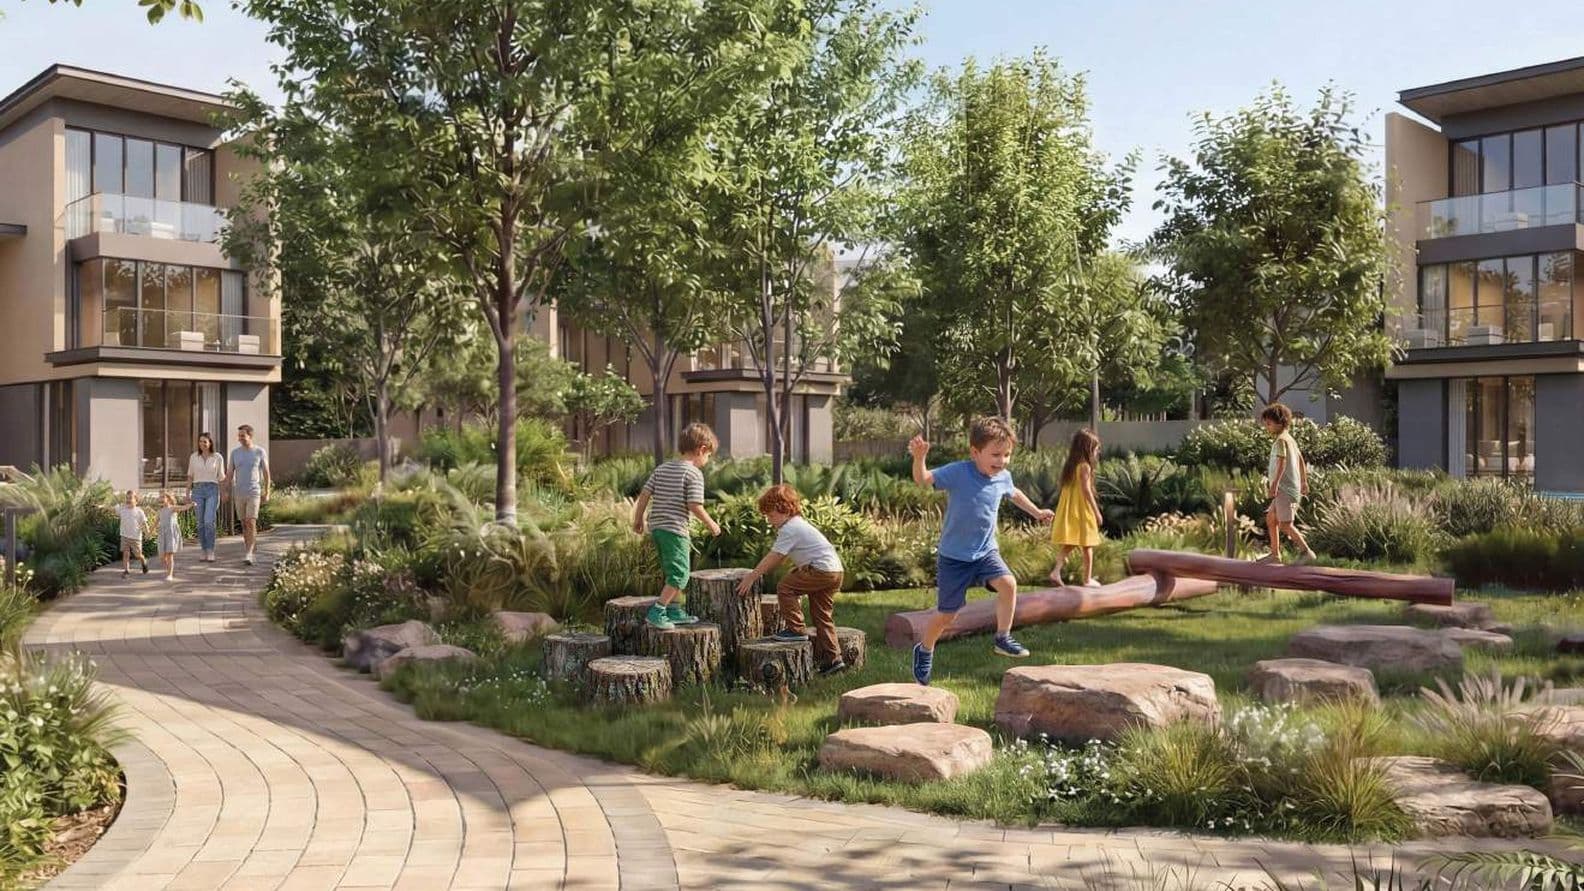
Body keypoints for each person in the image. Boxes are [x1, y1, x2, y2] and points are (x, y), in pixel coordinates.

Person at [907, 417, 1054, 686]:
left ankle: (1002, 637)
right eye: (996, 455)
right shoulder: (958, 472)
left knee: (1008, 584)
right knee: (947, 615)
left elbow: (1014, 493)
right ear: (975, 452)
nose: (1002, 461)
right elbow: (923, 479)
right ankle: (925, 649)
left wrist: (1037, 512)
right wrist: (919, 458)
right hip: (954, 558)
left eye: (1007, 454)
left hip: (986, 552)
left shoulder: (1003, 477)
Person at [735, 484, 847, 676]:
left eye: (770, 515)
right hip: (834, 571)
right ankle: (834, 659)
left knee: (785, 587)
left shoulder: (790, 528)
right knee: (822, 616)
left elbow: (775, 556)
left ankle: (796, 630)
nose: (769, 520)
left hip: (821, 571)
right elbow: (806, 551)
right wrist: (803, 566)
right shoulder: (797, 525)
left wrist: (752, 576)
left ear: (783, 509)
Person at [632, 422, 722, 630]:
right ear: (702, 449)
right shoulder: (693, 474)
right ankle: (658, 611)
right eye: (708, 456)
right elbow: (694, 505)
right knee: (680, 574)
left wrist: (638, 519)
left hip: (657, 528)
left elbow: (645, 494)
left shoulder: (662, 468)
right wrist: (712, 525)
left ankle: (673, 609)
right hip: (675, 529)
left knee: (671, 570)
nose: (707, 461)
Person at [1258, 403, 1316, 565]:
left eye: (1269, 424)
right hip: (1288, 489)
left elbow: (1282, 463)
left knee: (1285, 524)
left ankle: (1306, 552)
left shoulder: (1281, 441)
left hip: (1284, 490)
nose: (1266, 427)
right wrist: (1304, 481)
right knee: (1271, 518)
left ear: (1280, 423)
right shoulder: (1289, 439)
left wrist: (1274, 485)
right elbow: (1300, 459)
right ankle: (1275, 554)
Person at [1049, 429, 1104, 587]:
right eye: (1095, 448)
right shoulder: (1085, 466)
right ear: (1087, 449)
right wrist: (1096, 512)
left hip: (1070, 508)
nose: (1097, 451)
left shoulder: (1071, 466)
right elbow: (1086, 491)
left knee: (1072, 542)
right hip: (1081, 509)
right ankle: (1087, 580)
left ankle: (1056, 571)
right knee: (1088, 545)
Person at [225, 424, 271, 566]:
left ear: (250, 436)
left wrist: (267, 492)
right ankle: (250, 548)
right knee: (244, 524)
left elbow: (266, 474)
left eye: (242, 436)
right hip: (239, 493)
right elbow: (230, 474)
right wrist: (226, 490)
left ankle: (249, 553)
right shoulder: (235, 453)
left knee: (251, 521)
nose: (239, 438)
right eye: (239, 436)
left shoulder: (259, 452)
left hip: (254, 492)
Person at [187, 433, 224, 562]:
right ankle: (203, 550)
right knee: (200, 523)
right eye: (200, 442)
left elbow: (221, 477)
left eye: (205, 442)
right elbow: (190, 476)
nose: (202, 444)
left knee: (209, 521)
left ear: (210, 443)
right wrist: (187, 493)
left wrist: (225, 492)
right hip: (197, 490)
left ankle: (210, 550)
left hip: (212, 490)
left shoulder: (217, 457)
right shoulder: (194, 457)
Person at [155, 491, 195, 581]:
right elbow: (156, 522)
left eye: (162, 497)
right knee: (162, 558)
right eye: (160, 497)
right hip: (162, 535)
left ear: (168, 499)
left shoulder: (172, 508)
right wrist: (150, 532)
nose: (160, 499)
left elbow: (183, 508)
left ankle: (170, 574)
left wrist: (191, 504)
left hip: (171, 534)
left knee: (169, 555)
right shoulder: (160, 511)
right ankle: (170, 569)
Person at [117, 490, 149, 577]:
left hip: (136, 537)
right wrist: (101, 506)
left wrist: (147, 532)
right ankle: (126, 570)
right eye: (127, 498)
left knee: (138, 555)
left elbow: (144, 523)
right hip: (124, 535)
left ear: (136, 500)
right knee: (126, 553)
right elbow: (111, 508)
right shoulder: (122, 509)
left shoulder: (139, 511)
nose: (128, 500)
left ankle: (143, 561)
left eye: (130, 498)